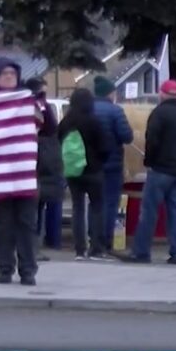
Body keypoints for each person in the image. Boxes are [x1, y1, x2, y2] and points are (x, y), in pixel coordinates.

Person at [128, 80, 176, 265]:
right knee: (175, 211)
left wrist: (148, 161)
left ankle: (141, 252)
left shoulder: (159, 113)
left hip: (160, 169)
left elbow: (152, 139)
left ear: (162, 93)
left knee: (149, 210)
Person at [0, 59, 41, 285]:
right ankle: (4, 268)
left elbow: (44, 125)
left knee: (26, 225)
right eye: (4, 73)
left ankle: (28, 270)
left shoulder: (28, 101)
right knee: (3, 225)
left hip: (25, 175)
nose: (9, 76)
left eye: (12, 73)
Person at [58, 87, 113, 261]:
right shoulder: (93, 121)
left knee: (77, 208)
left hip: (73, 170)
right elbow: (104, 146)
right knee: (97, 207)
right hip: (93, 169)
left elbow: (59, 142)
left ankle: (79, 250)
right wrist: (100, 160)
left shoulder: (66, 122)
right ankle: (97, 248)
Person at [93, 76, 133, 252]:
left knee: (93, 202)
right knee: (110, 202)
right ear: (110, 93)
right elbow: (127, 136)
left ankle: (92, 237)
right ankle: (105, 240)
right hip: (112, 163)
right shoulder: (115, 111)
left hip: (91, 164)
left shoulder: (87, 109)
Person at [27, 77, 64, 262]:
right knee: (36, 208)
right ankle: (33, 247)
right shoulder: (39, 105)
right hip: (43, 160)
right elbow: (50, 126)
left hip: (40, 161)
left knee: (37, 207)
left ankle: (35, 245)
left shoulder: (33, 104)